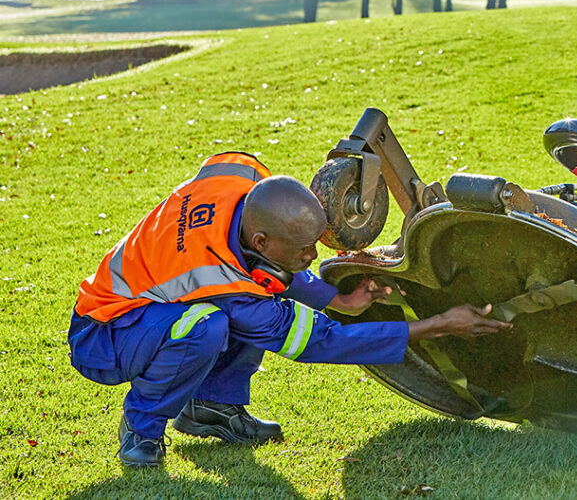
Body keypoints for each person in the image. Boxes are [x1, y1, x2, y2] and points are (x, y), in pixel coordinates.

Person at [68, 151, 511, 467]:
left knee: (228, 309)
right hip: (104, 333)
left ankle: (214, 408)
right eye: (304, 250)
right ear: (261, 241)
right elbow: (323, 341)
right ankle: (141, 429)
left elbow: (267, 251)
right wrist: (436, 325)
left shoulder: (241, 182)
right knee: (208, 324)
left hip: (151, 311)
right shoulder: (223, 281)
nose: (313, 259)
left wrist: (334, 298)